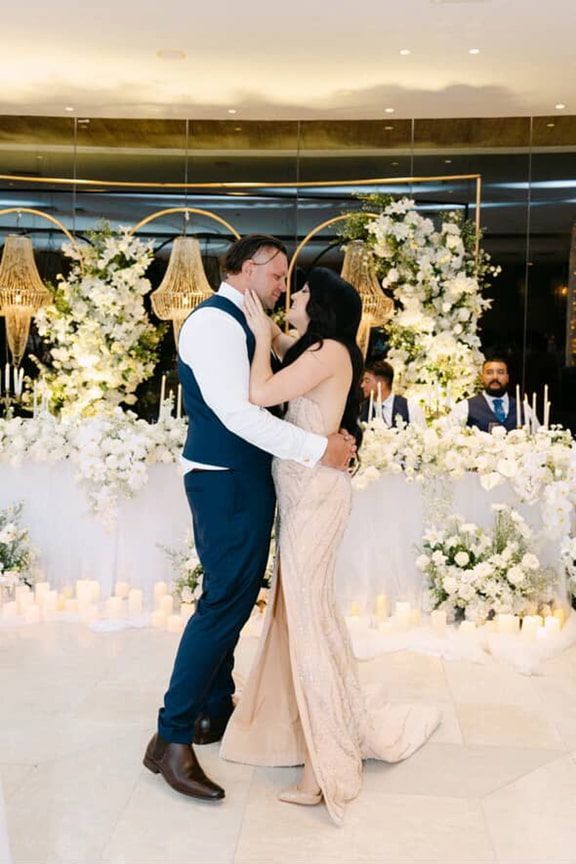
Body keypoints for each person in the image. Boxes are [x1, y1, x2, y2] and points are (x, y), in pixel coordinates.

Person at [220, 268, 440, 825]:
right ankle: (319, 733)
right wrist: (266, 329)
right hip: (306, 491)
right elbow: (282, 347)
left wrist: (256, 328)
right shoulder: (322, 347)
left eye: (297, 294)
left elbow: (260, 392)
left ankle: (324, 766)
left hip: (315, 495)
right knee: (303, 612)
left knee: (311, 618)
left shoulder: (325, 350)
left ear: (317, 305)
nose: (288, 298)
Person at [143, 237, 356, 802]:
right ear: (241, 269)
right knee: (224, 602)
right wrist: (317, 450)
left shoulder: (250, 316)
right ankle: (172, 738)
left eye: (288, 276)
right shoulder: (213, 323)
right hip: (225, 477)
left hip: (243, 477)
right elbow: (238, 412)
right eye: (278, 272)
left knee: (231, 598)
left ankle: (213, 709)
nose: (284, 283)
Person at [446, 357, 536, 431]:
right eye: (489, 373)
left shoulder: (524, 409)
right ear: (482, 378)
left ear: (507, 378)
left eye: (500, 372)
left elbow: (537, 439)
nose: (495, 377)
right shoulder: (464, 407)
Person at [360, 358, 426, 427]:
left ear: (382, 383)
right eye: (362, 381)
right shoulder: (361, 410)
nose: (362, 385)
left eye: (367, 381)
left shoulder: (410, 407)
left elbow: (421, 435)